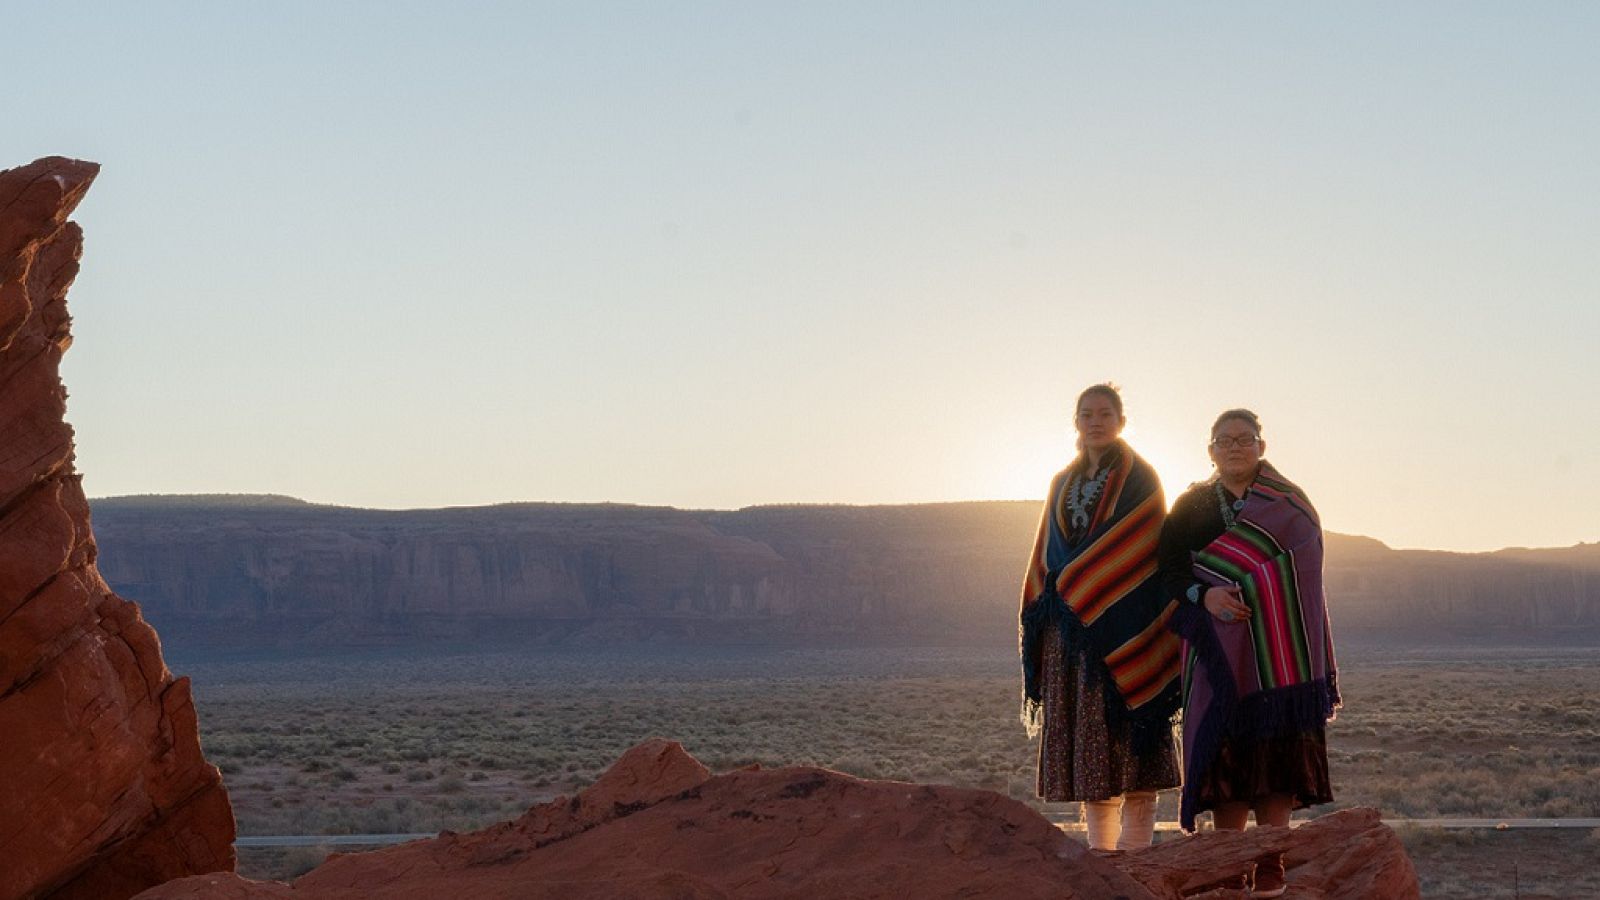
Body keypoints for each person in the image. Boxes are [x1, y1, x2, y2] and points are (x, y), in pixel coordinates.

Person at [1159, 409, 1340, 898]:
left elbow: (1306, 568)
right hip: (1217, 648)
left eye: (1245, 439)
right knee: (1226, 754)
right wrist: (1207, 597)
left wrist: (1262, 596)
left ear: (1261, 445)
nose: (1235, 447)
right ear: (1210, 449)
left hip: (1282, 651)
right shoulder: (1192, 506)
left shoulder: (1290, 504)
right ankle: (1227, 862)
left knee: (1275, 754)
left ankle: (1269, 863)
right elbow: (1171, 572)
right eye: (1224, 440)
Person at [1020, 384, 1182, 853]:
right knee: (1091, 746)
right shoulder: (1060, 483)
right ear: (1076, 421)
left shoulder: (1141, 477)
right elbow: (1048, 552)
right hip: (1071, 636)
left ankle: (1134, 859)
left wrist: (1080, 582)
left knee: (1135, 743)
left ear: (1121, 421)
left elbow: (1141, 541)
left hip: (1127, 625)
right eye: (1087, 413)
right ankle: (1101, 862)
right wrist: (1058, 595)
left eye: (1106, 413)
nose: (1096, 421)